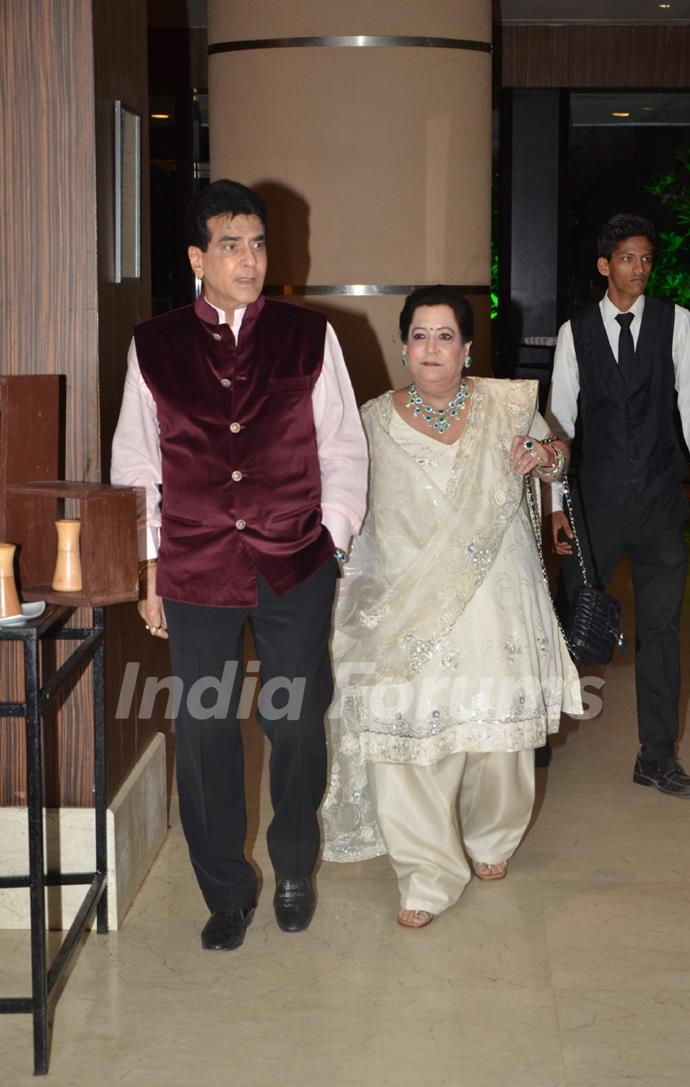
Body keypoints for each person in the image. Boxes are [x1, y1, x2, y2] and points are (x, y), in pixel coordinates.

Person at [111, 179, 367, 950]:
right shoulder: (153, 344)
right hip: (194, 564)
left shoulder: (309, 334)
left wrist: (334, 540)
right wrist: (149, 567)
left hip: (295, 560)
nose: (250, 259)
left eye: (258, 244)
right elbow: (135, 463)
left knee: (293, 720)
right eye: (231, 245)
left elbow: (343, 447)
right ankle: (224, 888)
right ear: (198, 257)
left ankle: (293, 864)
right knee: (205, 729)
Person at [321, 285, 582, 928]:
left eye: (445, 336)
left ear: (467, 347)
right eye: (419, 335)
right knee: (407, 732)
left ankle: (492, 837)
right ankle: (426, 872)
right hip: (406, 603)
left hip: (496, 596)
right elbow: (349, 501)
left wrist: (543, 456)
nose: (431, 348)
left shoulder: (509, 402)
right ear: (402, 345)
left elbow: (559, 461)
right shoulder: (372, 419)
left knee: (497, 733)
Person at [547, 213, 690, 798]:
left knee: (663, 632)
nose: (639, 269)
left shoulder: (676, 323)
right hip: (594, 506)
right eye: (628, 258)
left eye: (646, 259)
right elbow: (559, 424)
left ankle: (656, 756)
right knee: (570, 625)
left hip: (658, 501)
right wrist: (555, 504)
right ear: (605, 266)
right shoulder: (576, 332)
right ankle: (536, 734)